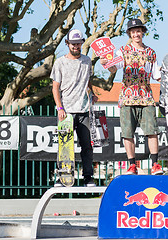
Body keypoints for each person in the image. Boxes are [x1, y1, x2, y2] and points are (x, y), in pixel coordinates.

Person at [100, 18, 164, 175]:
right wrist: (105, 62)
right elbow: (114, 68)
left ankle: (155, 165)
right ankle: (132, 165)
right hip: (127, 96)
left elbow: (157, 75)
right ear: (129, 33)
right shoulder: (122, 51)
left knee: (152, 131)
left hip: (146, 97)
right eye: (133, 31)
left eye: (139, 31)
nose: (136, 34)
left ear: (143, 32)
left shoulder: (151, 53)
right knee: (127, 133)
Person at [51, 29, 98, 187]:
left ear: (82, 43)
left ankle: (88, 177)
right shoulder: (60, 62)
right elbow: (55, 87)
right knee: (65, 146)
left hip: (84, 109)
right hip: (67, 111)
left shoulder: (87, 61)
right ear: (67, 44)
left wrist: (92, 94)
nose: (76, 46)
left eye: (78, 43)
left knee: (87, 146)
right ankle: (62, 176)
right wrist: (60, 108)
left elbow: (88, 82)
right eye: (73, 44)